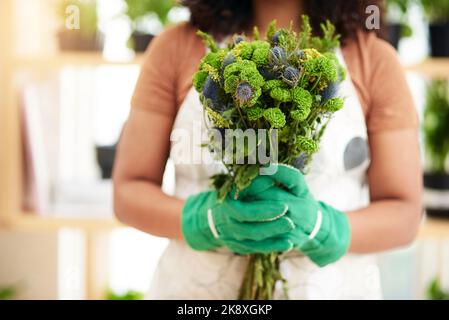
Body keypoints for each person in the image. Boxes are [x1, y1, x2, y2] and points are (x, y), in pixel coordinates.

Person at [113, 0, 422, 299]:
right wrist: (203, 219)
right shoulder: (175, 48)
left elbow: (405, 213)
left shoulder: (374, 60)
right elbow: (128, 191)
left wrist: (326, 228)